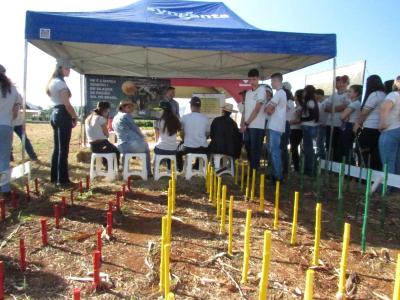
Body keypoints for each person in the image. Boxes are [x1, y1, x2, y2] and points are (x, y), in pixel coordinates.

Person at [46, 59, 78, 187]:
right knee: (63, 149)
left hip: (55, 113)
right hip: (62, 113)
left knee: (58, 148)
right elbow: (67, 104)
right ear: (60, 68)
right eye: (67, 68)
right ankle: (63, 180)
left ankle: (54, 177)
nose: (69, 71)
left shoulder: (52, 82)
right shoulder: (61, 84)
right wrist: (74, 116)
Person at [112, 100, 152, 176]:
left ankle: (125, 172)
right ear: (123, 108)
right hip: (131, 144)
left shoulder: (115, 117)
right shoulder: (125, 116)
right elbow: (136, 129)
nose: (131, 109)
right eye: (129, 107)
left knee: (139, 147)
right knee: (146, 149)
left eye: (131, 107)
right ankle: (148, 173)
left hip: (121, 146)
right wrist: (143, 137)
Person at [354, 75, 385, 170]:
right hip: (379, 130)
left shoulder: (374, 95)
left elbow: (364, 113)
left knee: (362, 152)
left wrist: (357, 125)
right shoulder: (384, 95)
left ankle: (363, 178)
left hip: (369, 129)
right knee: (375, 156)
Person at [0, 64, 20, 198]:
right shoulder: (13, 90)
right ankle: (5, 188)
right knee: (4, 159)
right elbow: (15, 113)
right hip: (6, 126)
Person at [240, 68, 266, 170]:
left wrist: (247, 123)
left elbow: (257, 109)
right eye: (250, 79)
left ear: (258, 78)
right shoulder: (248, 93)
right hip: (247, 125)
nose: (252, 82)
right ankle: (253, 166)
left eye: (254, 79)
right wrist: (243, 124)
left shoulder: (262, 90)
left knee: (255, 148)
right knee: (247, 146)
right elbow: (245, 110)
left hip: (257, 125)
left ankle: (254, 169)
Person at [265, 73, 287, 181]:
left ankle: (278, 176)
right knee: (273, 151)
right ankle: (275, 173)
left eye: (272, 81)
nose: (271, 83)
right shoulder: (280, 93)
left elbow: (268, 110)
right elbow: (269, 109)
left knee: (274, 151)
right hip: (275, 126)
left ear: (277, 81)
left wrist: (268, 108)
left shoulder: (279, 93)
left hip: (275, 126)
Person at [177, 97, 209, 171]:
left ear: (191, 106)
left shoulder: (184, 117)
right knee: (202, 149)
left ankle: (180, 169)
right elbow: (207, 134)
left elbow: (181, 133)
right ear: (200, 107)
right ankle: (197, 166)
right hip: (202, 148)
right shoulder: (205, 118)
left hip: (188, 147)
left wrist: (185, 139)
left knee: (178, 152)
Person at [85, 101, 120, 167]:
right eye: (108, 111)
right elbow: (106, 134)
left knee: (108, 150)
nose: (108, 113)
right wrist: (107, 134)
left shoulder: (88, 118)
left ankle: (106, 165)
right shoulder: (100, 118)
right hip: (101, 144)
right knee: (116, 151)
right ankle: (113, 168)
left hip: (93, 146)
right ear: (105, 110)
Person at [325, 76, 350, 162]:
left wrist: (332, 108)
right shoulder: (333, 95)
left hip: (341, 124)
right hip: (330, 124)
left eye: (339, 82)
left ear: (346, 83)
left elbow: (345, 106)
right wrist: (337, 108)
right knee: (329, 145)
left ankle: (337, 168)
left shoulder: (348, 94)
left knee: (338, 147)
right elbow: (326, 108)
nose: (337, 84)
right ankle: (329, 164)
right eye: (336, 82)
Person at [379, 76, 400, 176]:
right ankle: (396, 189)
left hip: (390, 130)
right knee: (398, 162)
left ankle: (386, 189)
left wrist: (383, 124)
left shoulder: (394, 94)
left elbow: (385, 107)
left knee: (388, 163)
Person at [340, 85, 362, 164]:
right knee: (348, 148)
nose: (348, 93)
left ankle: (348, 167)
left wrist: (344, 115)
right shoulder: (358, 103)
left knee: (346, 148)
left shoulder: (354, 104)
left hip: (349, 126)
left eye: (350, 91)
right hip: (352, 125)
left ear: (356, 93)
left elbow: (342, 116)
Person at [300, 85, 319, 176]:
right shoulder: (308, 101)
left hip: (309, 127)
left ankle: (309, 170)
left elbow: (313, 115)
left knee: (309, 149)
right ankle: (308, 169)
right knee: (307, 148)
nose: (303, 93)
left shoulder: (310, 102)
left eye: (304, 91)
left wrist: (302, 120)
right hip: (308, 126)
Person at [289, 89, 303, 172]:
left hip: (297, 130)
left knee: (294, 148)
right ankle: (296, 166)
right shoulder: (296, 107)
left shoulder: (300, 107)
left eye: (295, 95)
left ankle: (297, 167)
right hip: (293, 129)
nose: (294, 96)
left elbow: (299, 120)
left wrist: (290, 122)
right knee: (293, 148)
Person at [281, 86, 293, 176]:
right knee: (281, 147)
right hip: (281, 124)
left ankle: (285, 168)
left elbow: (286, 109)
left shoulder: (290, 102)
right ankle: (282, 167)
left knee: (283, 147)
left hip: (286, 124)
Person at [315, 89, 327, 159]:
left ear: (320, 95)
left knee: (321, 142)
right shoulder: (319, 104)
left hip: (325, 125)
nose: (315, 97)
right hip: (320, 125)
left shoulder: (326, 103)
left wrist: (325, 123)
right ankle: (321, 156)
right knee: (319, 142)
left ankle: (323, 157)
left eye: (316, 96)